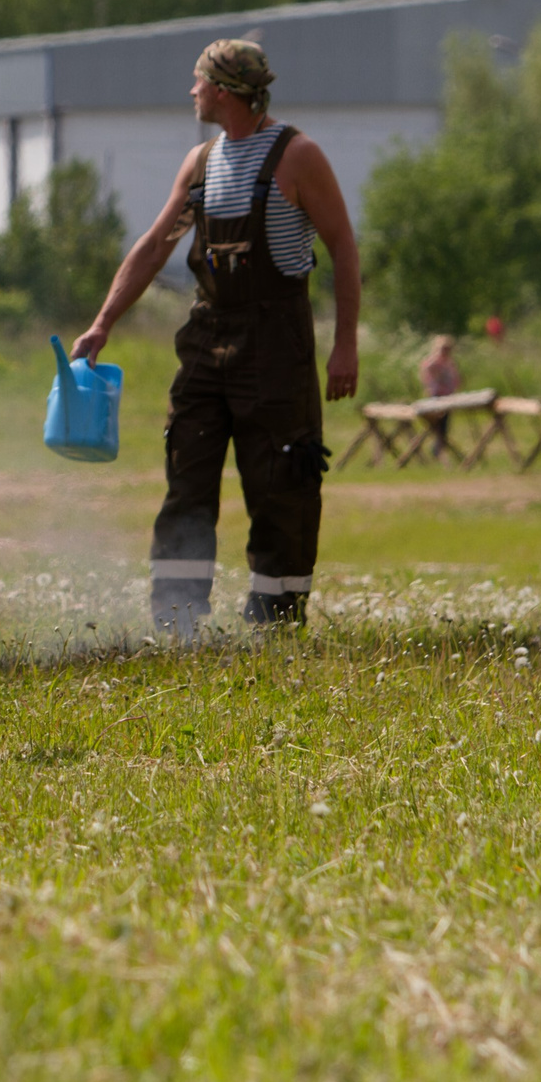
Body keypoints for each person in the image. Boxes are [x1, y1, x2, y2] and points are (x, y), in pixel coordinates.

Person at [72, 40, 360, 636]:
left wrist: (346, 345)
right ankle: (177, 622)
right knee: (188, 476)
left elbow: (345, 250)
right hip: (207, 339)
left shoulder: (298, 156)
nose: (192, 92)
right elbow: (155, 247)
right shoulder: (201, 161)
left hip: (277, 343)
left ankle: (274, 626)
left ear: (224, 91)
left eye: (198, 81)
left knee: (282, 485)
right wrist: (104, 322)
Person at [419, 334, 464, 456]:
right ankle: (437, 448)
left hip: (448, 395)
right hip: (437, 395)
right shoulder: (433, 362)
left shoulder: (449, 363)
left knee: (445, 424)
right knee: (437, 423)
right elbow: (426, 371)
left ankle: (439, 447)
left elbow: (456, 379)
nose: (445, 352)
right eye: (443, 349)